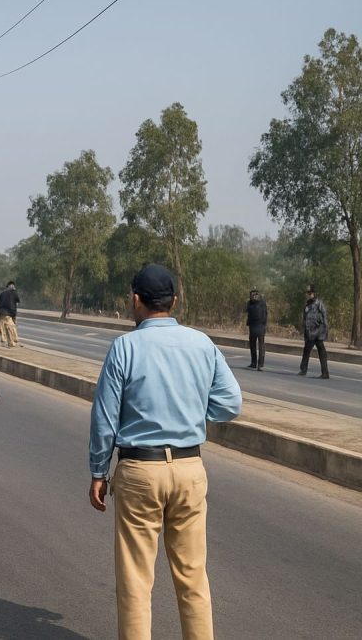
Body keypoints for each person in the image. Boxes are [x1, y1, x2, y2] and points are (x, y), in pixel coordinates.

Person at [88, 263, 242, 640]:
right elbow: (230, 403)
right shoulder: (201, 343)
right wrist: (192, 410)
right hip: (189, 468)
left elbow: (105, 417)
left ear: (136, 300)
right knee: (192, 578)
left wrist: (98, 471)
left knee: (137, 581)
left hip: (140, 471)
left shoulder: (125, 346)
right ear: (174, 301)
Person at [299, 284, 330, 379]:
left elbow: (324, 317)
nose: (309, 295)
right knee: (307, 350)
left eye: (310, 293)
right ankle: (303, 370)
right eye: (308, 293)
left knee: (321, 352)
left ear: (314, 293)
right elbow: (305, 318)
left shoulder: (319, 304)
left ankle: (325, 373)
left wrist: (325, 329)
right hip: (310, 332)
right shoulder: (307, 304)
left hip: (318, 331)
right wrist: (303, 328)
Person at [245, 288, 267, 371]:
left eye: (255, 295)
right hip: (254, 326)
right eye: (252, 295)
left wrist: (263, 325)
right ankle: (255, 363)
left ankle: (259, 364)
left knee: (259, 346)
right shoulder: (251, 303)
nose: (254, 296)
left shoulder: (260, 303)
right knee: (254, 345)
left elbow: (265, 314)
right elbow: (248, 312)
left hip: (259, 326)